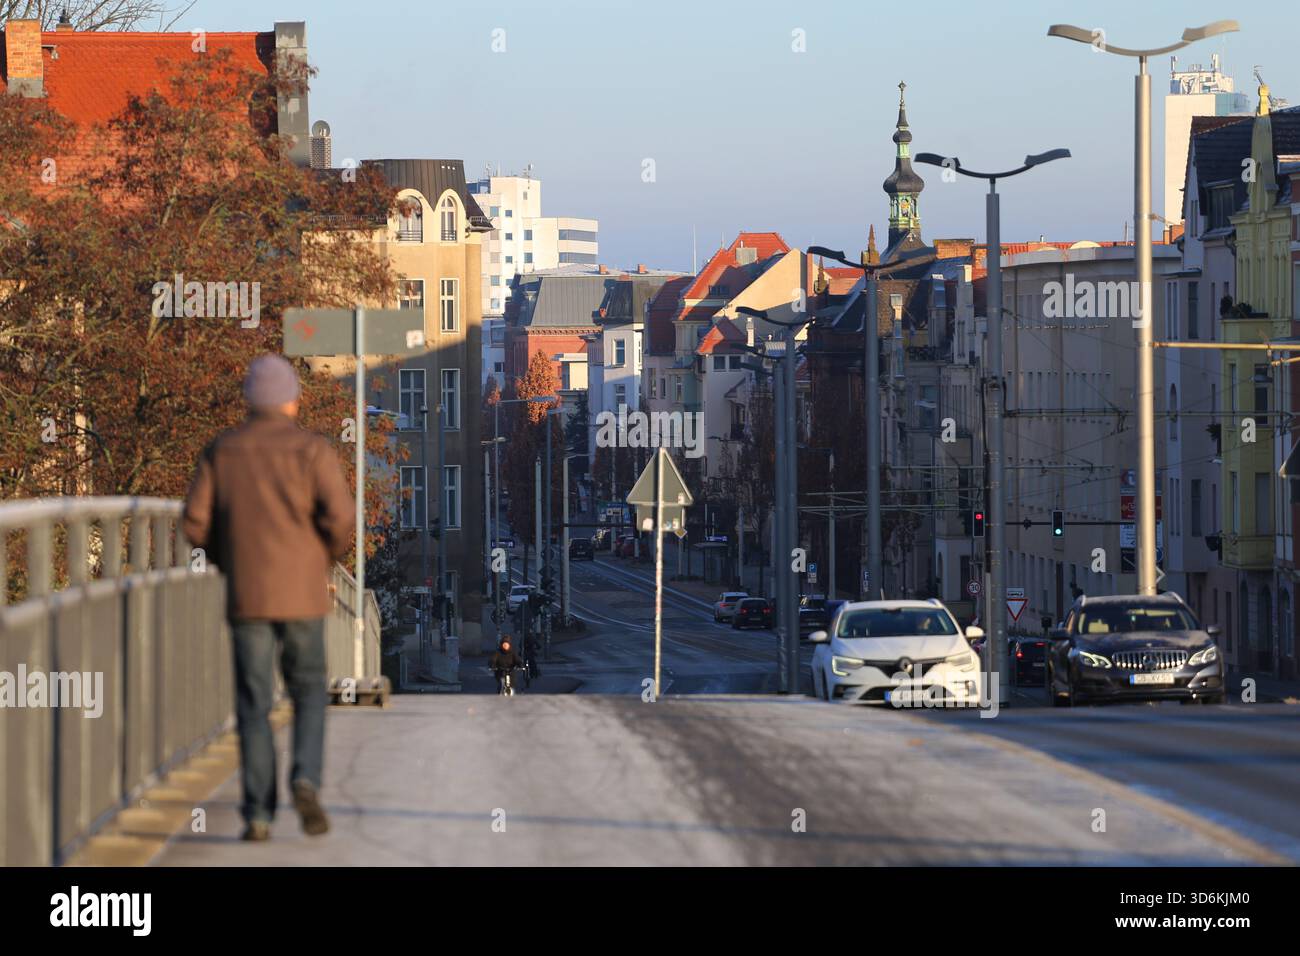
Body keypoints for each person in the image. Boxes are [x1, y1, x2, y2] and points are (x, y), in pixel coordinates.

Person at [183, 354, 353, 843]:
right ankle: (305, 778)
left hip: (248, 595)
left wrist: (226, 556)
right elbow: (341, 518)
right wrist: (323, 554)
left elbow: (194, 522)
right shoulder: (313, 451)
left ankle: (258, 813)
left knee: (254, 702)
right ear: (294, 401)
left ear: (248, 402)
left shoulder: (223, 451)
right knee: (307, 691)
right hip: (303, 594)